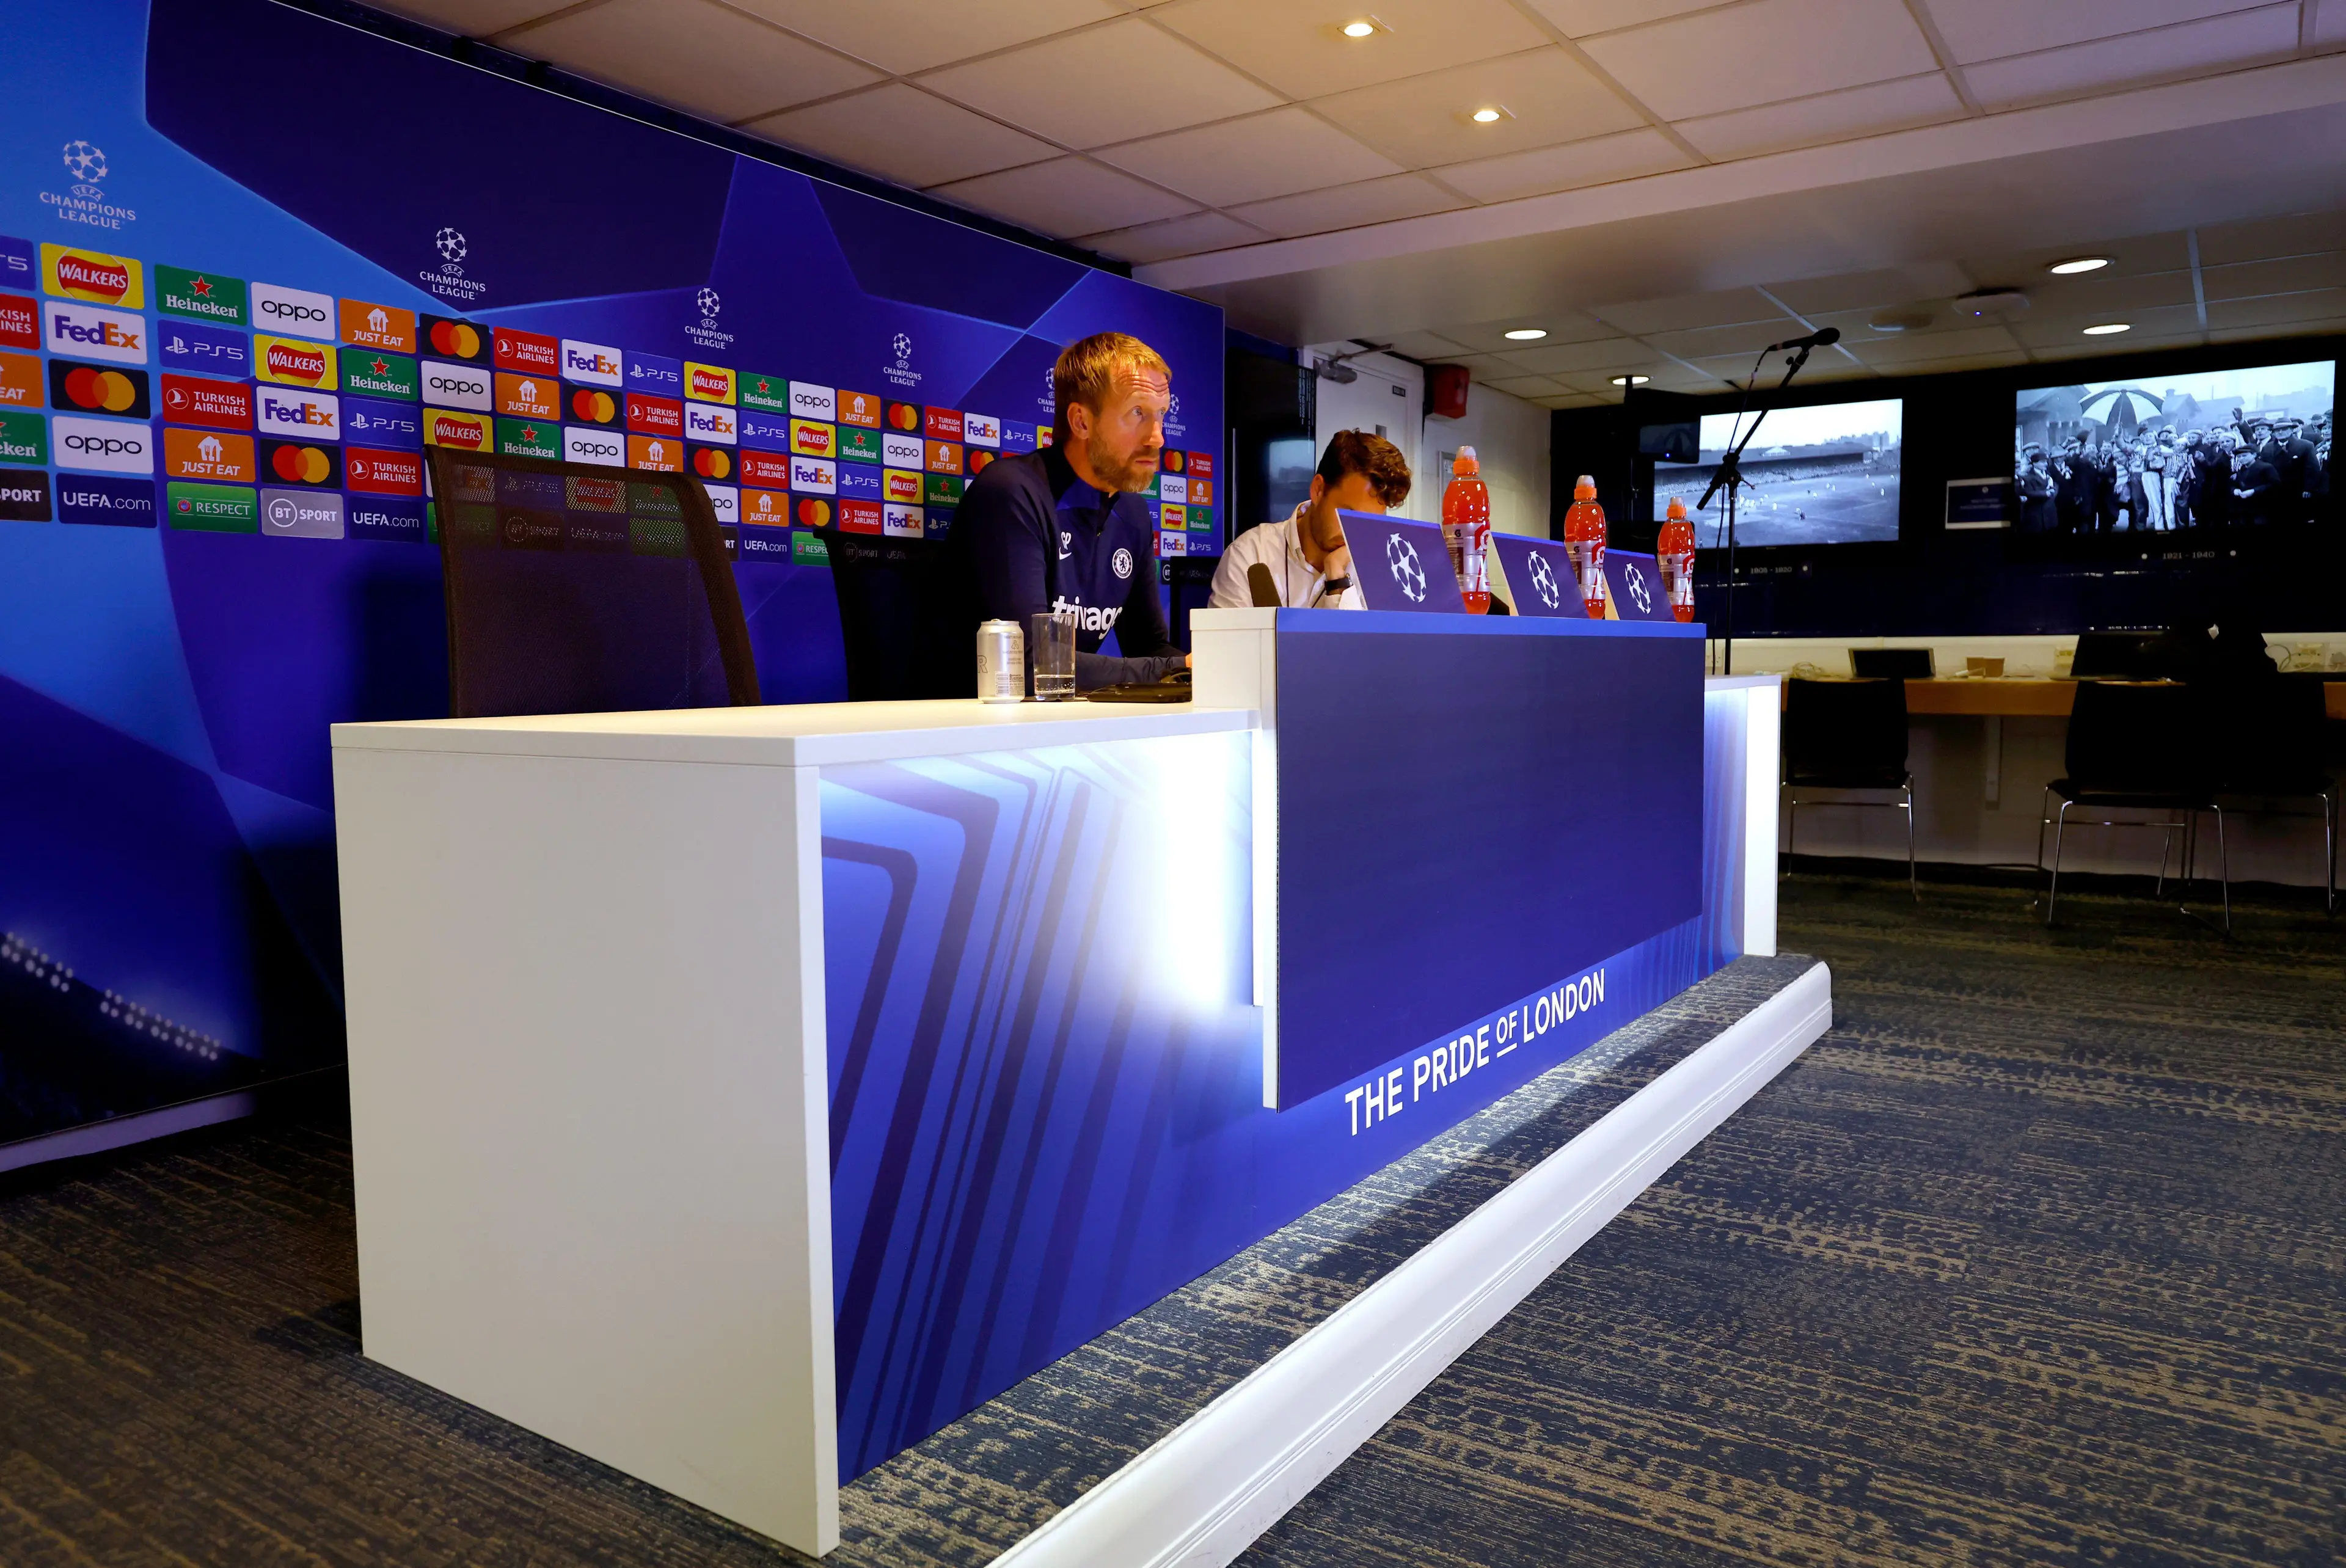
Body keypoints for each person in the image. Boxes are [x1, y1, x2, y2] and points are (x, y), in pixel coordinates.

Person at [949, 331, 1188, 689]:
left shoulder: (1133, 513)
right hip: (961, 727)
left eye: (1161, 415)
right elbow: (1029, 665)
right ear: (1081, 422)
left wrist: (1200, 669)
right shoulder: (1012, 493)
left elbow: (1148, 646)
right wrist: (1167, 670)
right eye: (1137, 412)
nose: (1157, 437)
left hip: (1057, 724)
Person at [1208, 430, 1411, 610]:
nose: (1353, 532)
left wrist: (1338, 580)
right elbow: (1227, 649)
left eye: (1367, 522)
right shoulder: (1251, 555)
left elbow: (1364, 650)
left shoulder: (1378, 570)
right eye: (1347, 514)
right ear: (1318, 490)